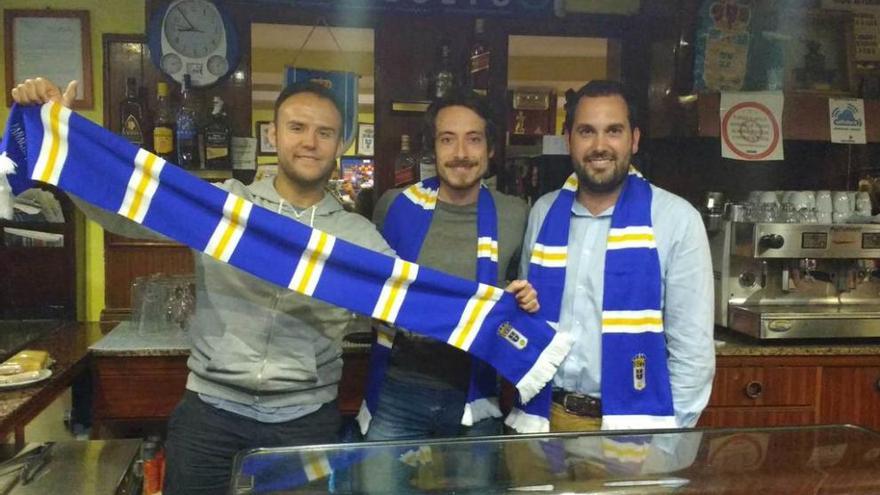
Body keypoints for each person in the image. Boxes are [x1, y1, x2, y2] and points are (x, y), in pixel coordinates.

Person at [11, 77, 394, 495]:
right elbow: (125, 209)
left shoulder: (359, 237)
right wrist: (63, 136)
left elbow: (408, 301)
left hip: (304, 420)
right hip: (211, 415)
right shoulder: (224, 208)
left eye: (325, 133)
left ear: (341, 145)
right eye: (297, 128)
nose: (310, 143)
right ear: (273, 135)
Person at [356, 90, 534, 492]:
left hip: (476, 392)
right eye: (447, 139)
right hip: (399, 389)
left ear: (490, 149)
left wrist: (525, 299)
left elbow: (526, 295)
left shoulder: (515, 214)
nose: (461, 153)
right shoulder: (394, 205)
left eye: (474, 139)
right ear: (432, 148)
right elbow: (371, 283)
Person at [518, 80, 714, 433]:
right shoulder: (543, 213)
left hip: (636, 426)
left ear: (634, 140)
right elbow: (527, 319)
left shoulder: (676, 219)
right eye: (586, 132)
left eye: (613, 131)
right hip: (544, 419)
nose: (599, 146)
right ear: (569, 141)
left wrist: (667, 437)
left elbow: (693, 352)